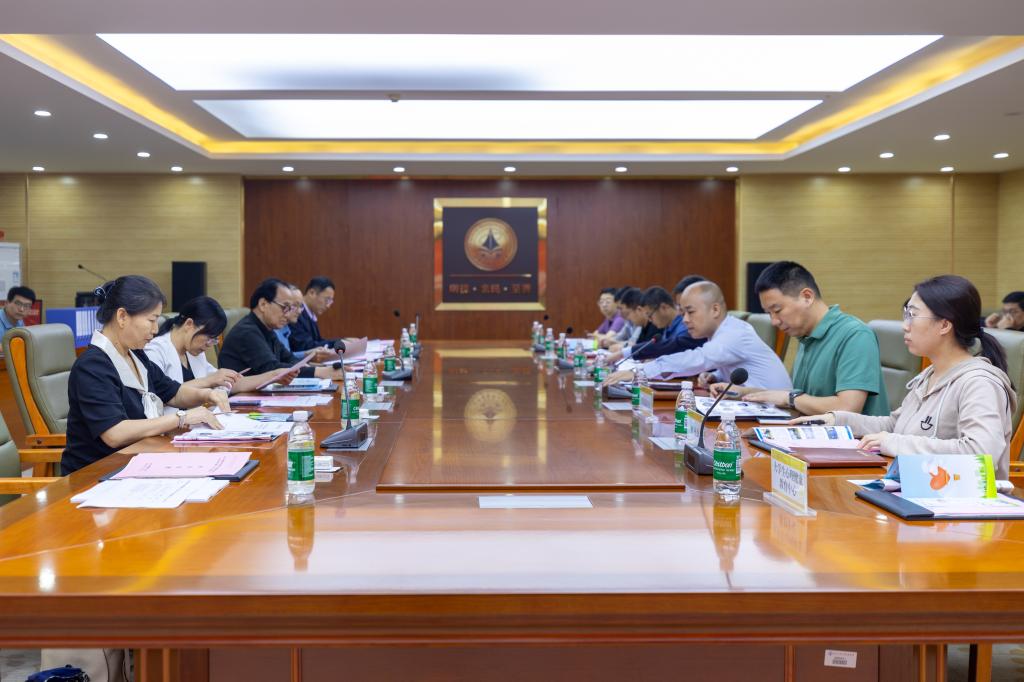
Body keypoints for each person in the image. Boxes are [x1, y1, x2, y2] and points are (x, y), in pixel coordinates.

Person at [794, 275, 1016, 478]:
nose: (905, 326)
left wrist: (894, 443)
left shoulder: (979, 383)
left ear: (944, 325)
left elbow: (981, 453)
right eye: (905, 314)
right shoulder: (930, 374)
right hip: (922, 490)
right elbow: (895, 424)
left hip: (962, 503)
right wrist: (836, 421)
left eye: (913, 315)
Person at [62, 276, 228, 475]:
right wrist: (182, 418)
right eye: (151, 320)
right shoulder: (93, 365)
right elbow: (115, 433)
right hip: (97, 474)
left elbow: (174, 393)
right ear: (122, 316)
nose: (156, 329)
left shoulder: (136, 355)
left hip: (139, 462)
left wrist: (206, 394)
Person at [711, 261, 888, 415]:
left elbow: (847, 407)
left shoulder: (855, 335)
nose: (774, 321)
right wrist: (745, 393)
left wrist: (789, 398)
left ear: (807, 297)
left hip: (854, 441)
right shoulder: (805, 337)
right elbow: (801, 397)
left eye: (777, 310)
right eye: (769, 313)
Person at [602, 281, 791, 391]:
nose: (685, 320)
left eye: (690, 312)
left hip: (776, 418)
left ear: (715, 309)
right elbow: (739, 367)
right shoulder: (722, 332)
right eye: (683, 312)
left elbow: (697, 358)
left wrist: (639, 373)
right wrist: (716, 376)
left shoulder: (734, 334)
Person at [144, 295, 296, 408]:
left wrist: (273, 376)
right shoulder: (155, 351)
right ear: (189, 324)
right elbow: (162, 395)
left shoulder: (193, 351)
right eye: (209, 338)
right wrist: (210, 380)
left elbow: (229, 384)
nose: (209, 345)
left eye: (214, 340)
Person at [218, 278, 343, 380]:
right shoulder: (247, 332)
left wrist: (314, 369)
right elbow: (271, 368)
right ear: (263, 304)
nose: (287, 314)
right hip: (239, 398)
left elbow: (288, 358)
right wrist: (318, 372)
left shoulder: (267, 329)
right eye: (285, 307)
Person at [607, 280, 705, 363]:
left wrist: (625, 353)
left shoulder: (684, 326)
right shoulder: (667, 326)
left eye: (650, 315)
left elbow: (672, 346)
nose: (649, 320)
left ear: (663, 307)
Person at [290, 276, 342, 352]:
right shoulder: (296, 314)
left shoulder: (310, 314)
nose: (328, 306)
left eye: (330, 301)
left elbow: (318, 341)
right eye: (327, 300)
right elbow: (306, 347)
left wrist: (342, 341)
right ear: (312, 293)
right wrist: (337, 343)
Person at [606, 287, 646, 351]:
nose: (619, 313)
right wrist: (609, 341)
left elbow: (634, 343)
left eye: (621, 308)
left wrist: (619, 344)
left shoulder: (642, 322)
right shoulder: (628, 321)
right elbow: (620, 337)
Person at [274, 284, 308, 360]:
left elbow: (286, 356)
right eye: (295, 305)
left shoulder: (285, 327)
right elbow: (280, 360)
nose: (299, 311)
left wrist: (308, 354)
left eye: (301, 306)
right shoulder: (274, 329)